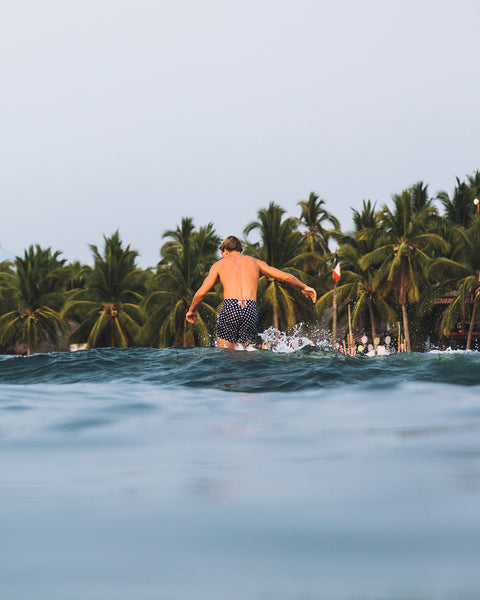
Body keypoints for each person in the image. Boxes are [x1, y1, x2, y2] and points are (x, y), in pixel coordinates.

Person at [185, 235, 317, 349]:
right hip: (250, 308)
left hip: (231, 307)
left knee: (225, 356)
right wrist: (304, 286)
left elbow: (201, 293)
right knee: (242, 354)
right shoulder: (256, 262)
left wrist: (192, 310)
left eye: (221, 253)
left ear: (225, 250)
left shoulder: (220, 264)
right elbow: (285, 276)